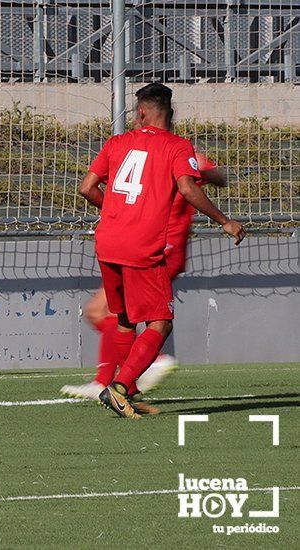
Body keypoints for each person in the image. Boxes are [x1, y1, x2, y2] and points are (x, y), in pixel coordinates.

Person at [77, 82, 245, 419]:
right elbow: (187, 188)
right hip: (143, 247)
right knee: (161, 323)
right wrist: (225, 221)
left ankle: (127, 391)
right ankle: (120, 387)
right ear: (169, 111)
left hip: (107, 241)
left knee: (124, 320)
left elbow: (86, 188)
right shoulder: (178, 146)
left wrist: (114, 211)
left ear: (140, 112)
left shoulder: (117, 143)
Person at [61, 152, 226, 413]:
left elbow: (216, 175)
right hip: (143, 245)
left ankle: (137, 369)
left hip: (159, 248)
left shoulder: (178, 157)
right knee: (101, 312)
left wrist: (197, 173)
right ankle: (118, 382)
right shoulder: (152, 159)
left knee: (114, 313)